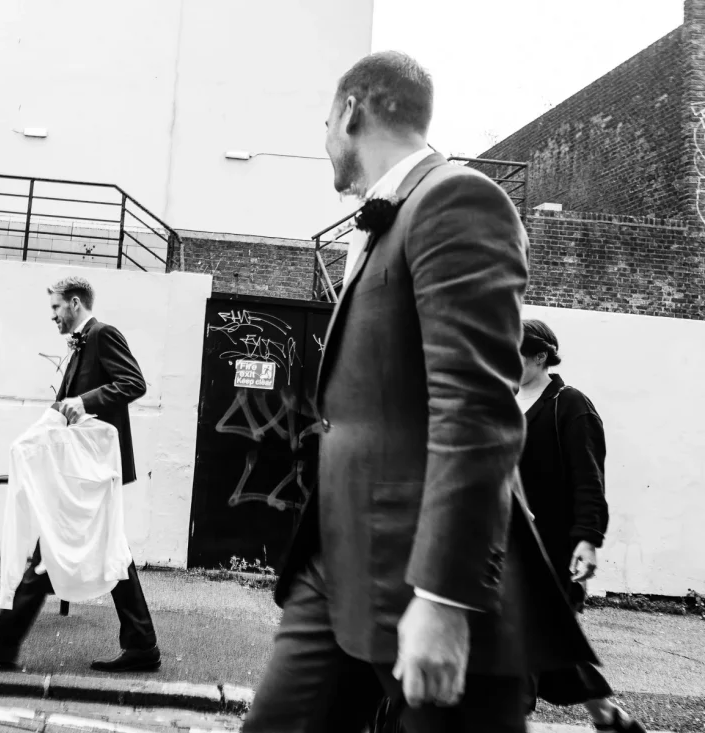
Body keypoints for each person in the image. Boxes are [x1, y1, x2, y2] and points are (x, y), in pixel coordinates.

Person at [243, 51, 596, 733]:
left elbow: (476, 412)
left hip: (418, 576)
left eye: (325, 122)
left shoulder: (457, 199)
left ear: (351, 111)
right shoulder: (387, 217)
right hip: (336, 564)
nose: (324, 141)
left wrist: (444, 596)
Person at [0, 276, 160, 673]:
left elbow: (133, 383)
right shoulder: (82, 344)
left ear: (75, 303)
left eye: (55, 308)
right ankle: (140, 644)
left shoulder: (102, 335)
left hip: (94, 470)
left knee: (63, 551)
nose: (53, 317)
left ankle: (4, 641)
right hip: (80, 469)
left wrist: (84, 400)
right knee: (97, 550)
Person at [516, 319, 645, 733]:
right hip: (508, 545)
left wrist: (588, 539)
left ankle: (511, 719)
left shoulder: (569, 405)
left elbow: (589, 480)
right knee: (547, 640)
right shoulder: (502, 401)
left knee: (529, 638)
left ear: (540, 356)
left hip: (553, 548)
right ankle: (606, 716)